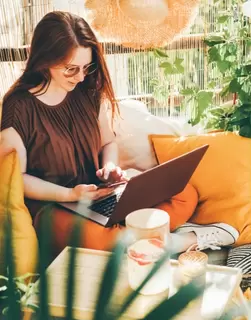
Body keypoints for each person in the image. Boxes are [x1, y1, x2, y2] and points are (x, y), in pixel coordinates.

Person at [0, 11, 238, 256]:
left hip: (98, 195)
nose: (81, 77)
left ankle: (136, 237)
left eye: (86, 67)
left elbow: (108, 143)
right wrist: (69, 193)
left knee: (185, 193)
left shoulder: (87, 91)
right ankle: (180, 241)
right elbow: (15, 177)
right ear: (44, 60)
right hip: (54, 207)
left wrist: (110, 167)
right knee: (104, 242)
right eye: (71, 69)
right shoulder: (18, 107)